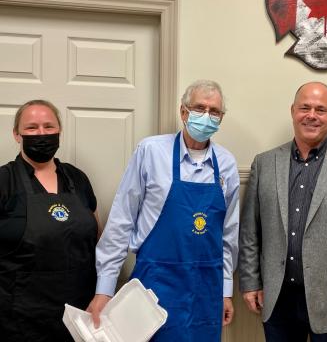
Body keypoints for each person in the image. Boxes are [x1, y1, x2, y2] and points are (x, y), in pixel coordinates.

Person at [87, 80, 239, 341]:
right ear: (183, 112)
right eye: (199, 108)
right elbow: (121, 221)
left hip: (206, 288)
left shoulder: (226, 163)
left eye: (214, 112)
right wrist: (105, 289)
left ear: (221, 118)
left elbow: (228, 234)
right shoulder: (151, 151)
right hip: (155, 285)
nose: (206, 116)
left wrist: (225, 290)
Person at [238, 82, 327, 342]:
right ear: (293, 111)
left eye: (320, 109)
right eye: (304, 108)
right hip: (276, 299)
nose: (312, 115)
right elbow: (250, 231)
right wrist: (250, 282)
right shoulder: (265, 163)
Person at [0, 100, 100, 341]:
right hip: (21, 319)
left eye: (48, 126)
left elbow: (96, 235)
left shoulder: (77, 178)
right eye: (32, 128)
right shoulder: (4, 181)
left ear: (59, 131)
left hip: (79, 315)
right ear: (16, 134)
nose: (41, 134)